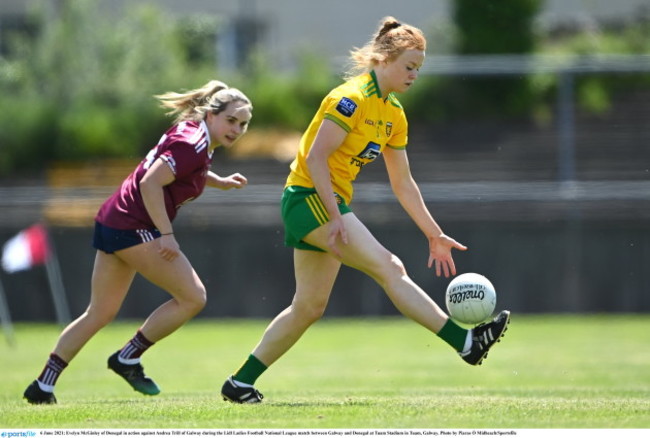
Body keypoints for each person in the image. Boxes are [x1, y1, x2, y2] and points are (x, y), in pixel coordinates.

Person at [220, 17, 510, 404]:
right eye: (409, 67)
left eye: (418, 69)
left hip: (325, 204)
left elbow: (403, 182)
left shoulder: (394, 114)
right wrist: (335, 214)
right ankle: (466, 342)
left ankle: (239, 383)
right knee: (390, 268)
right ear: (383, 60)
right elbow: (316, 157)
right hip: (309, 198)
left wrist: (433, 233)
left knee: (307, 307)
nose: (414, 75)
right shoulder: (350, 98)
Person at [23, 80, 253, 404]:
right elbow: (150, 182)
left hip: (113, 219)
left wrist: (219, 182)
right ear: (212, 115)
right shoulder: (193, 142)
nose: (237, 129)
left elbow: (182, 170)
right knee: (193, 297)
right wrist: (166, 235)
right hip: (133, 225)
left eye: (243, 124)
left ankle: (42, 386)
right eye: (232, 120)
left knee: (99, 312)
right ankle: (128, 357)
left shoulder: (195, 133)